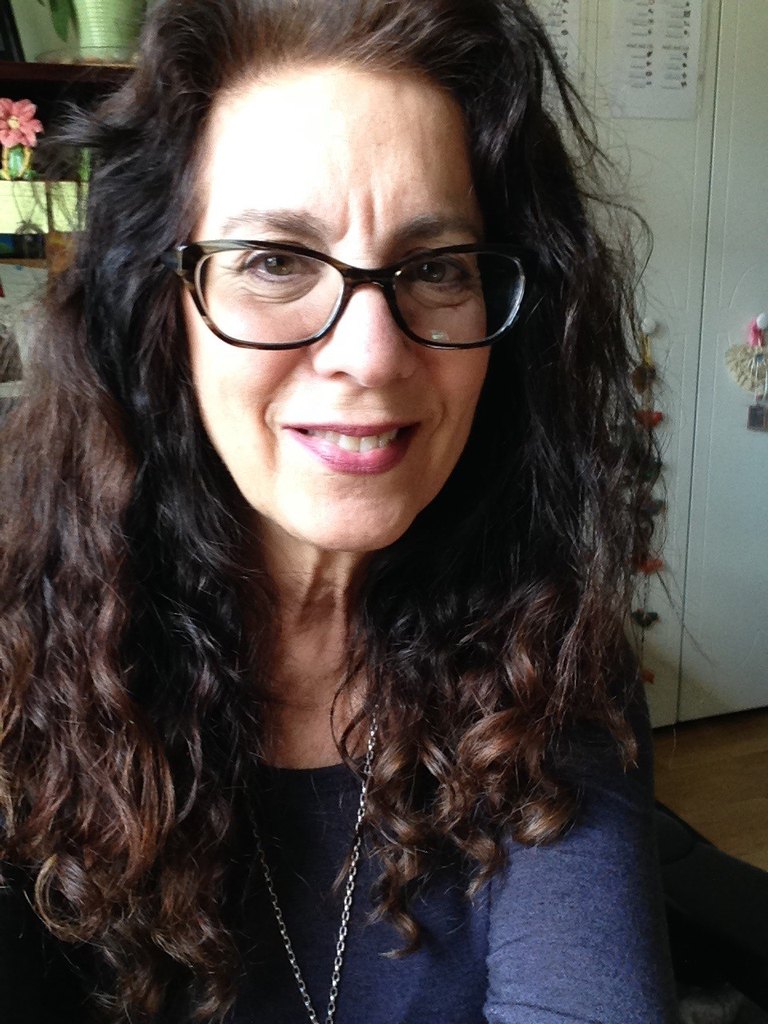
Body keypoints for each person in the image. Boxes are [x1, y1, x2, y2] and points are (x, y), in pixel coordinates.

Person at [0, 0, 677, 1021]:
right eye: (276, 260)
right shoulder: (23, 658)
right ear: (156, 305)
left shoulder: (548, 650)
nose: (370, 352)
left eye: (437, 267)